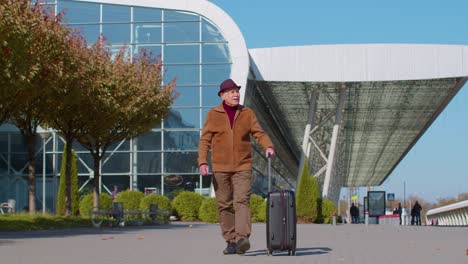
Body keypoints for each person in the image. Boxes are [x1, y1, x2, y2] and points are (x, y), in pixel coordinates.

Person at [198, 78, 275, 255]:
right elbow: (205, 140)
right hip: (220, 167)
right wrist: (202, 161)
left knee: (242, 201)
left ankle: (242, 238)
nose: (236, 94)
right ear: (223, 95)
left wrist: (268, 146)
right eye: (232, 91)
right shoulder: (213, 114)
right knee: (224, 205)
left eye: (237, 91)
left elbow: (259, 133)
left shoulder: (247, 113)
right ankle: (231, 241)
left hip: (243, 165)